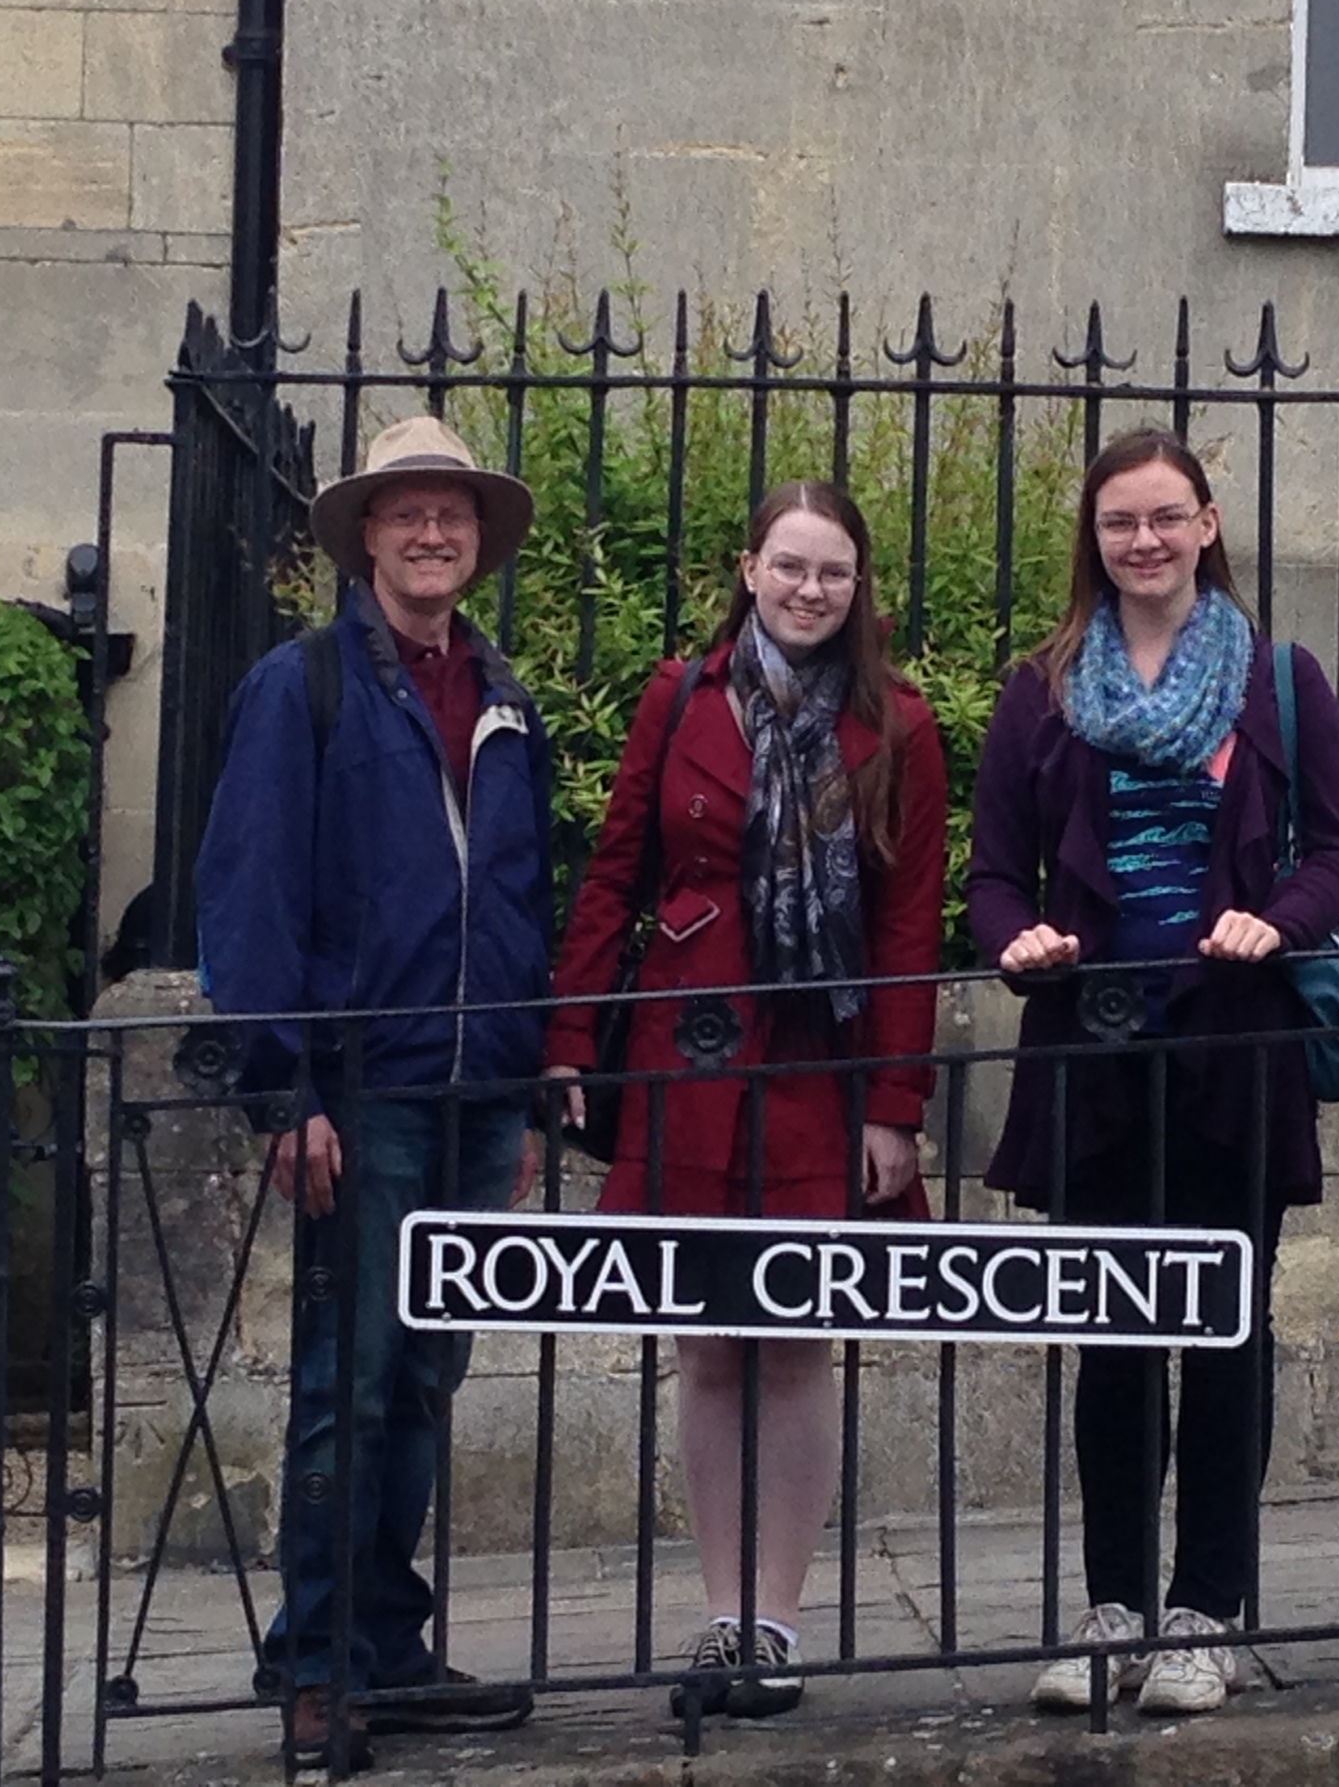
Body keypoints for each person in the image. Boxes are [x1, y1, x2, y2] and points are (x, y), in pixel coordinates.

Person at [966, 426, 1339, 1717]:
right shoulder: (1041, 689)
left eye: (1164, 517)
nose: (1142, 541)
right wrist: (1013, 937)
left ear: (1207, 524)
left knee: (1224, 1333)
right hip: (1092, 1049)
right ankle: (1114, 1610)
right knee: (1111, 1340)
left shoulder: (1281, 680)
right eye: (1118, 523)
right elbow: (992, 871)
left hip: (1230, 1050)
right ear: (1095, 540)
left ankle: (1208, 1612)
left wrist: (1281, 919)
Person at [544, 480, 948, 1719]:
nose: (810, 589)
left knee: (795, 1336)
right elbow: (615, 871)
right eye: (789, 566)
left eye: (833, 571)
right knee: (710, 1342)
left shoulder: (904, 726)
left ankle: (774, 1622)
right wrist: (566, 1043)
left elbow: (903, 926)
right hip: (686, 1045)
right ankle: (721, 1620)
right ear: (748, 567)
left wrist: (894, 1103)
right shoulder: (680, 699)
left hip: (817, 1061)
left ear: (858, 584)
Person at [197, 416, 552, 1769]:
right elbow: (250, 891)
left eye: (451, 513)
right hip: (365, 1090)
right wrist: (283, 1091)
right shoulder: (305, 688)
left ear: (476, 537)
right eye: (405, 513)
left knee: (422, 1378)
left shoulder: (502, 693)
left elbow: (518, 899)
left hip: (473, 1094)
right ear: (363, 537)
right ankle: (319, 1661)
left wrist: (519, 1091)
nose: (430, 533)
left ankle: (387, 1648)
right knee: (347, 1379)